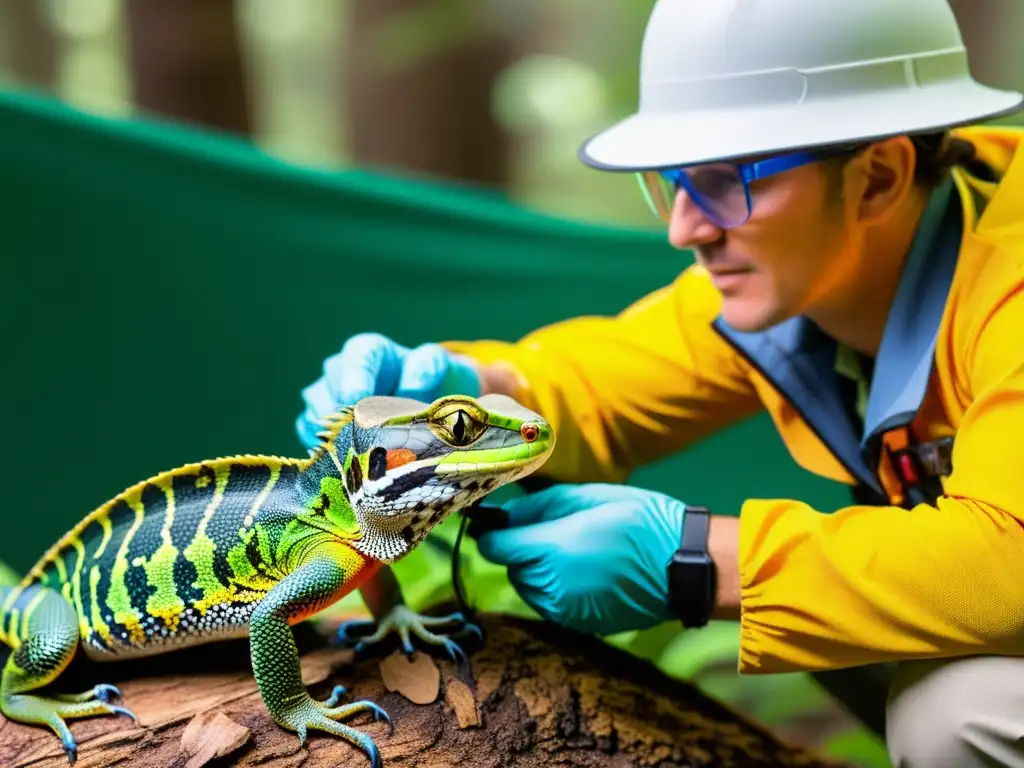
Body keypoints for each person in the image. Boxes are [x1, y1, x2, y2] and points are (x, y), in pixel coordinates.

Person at [296, 1, 1024, 765]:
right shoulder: (808, 271)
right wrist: (467, 389)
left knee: (958, 714)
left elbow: (1009, 560)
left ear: (878, 176)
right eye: (672, 180)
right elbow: (604, 387)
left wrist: (696, 560)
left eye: (728, 181)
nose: (686, 228)